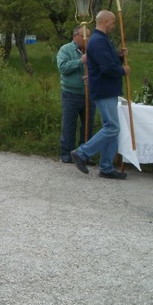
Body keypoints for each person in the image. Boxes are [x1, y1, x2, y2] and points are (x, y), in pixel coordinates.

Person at [71, 10, 131, 179]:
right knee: (112, 128)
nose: (113, 25)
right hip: (104, 90)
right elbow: (107, 68)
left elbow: (107, 61)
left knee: (112, 128)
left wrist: (119, 56)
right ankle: (82, 153)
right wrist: (123, 70)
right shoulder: (98, 41)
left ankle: (106, 166)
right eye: (112, 22)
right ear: (105, 21)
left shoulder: (102, 40)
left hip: (107, 89)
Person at [57, 26, 95, 163]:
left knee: (87, 124)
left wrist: (91, 76)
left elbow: (99, 68)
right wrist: (80, 62)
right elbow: (63, 68)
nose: (87, 39)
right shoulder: (65, 50)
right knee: (69, 124)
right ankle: (66, 153)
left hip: (89, 93)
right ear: (75, 36)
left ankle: (84, 154)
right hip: (71, 93)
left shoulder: (92, 51)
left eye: (89, 36)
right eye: (84, 36)